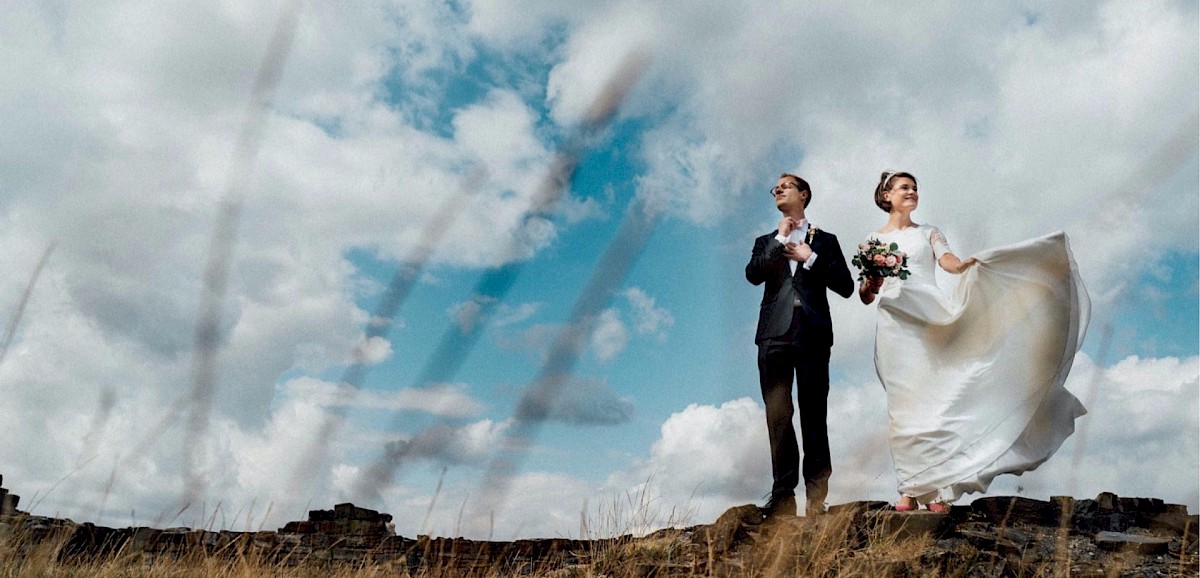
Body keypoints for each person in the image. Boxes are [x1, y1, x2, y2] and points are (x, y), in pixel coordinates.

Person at [859, 170, 1089, 513]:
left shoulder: (928, 232)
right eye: (905, 187)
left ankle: (935, 488)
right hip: (895, 323)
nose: (913, 192)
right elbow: (865, 294)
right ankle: (908, 488)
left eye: (916, 188)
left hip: (929, 318)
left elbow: (947, 262)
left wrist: (964, 264)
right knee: (903, 406)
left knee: (934, 403)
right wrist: (874, 281)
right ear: (886, 195)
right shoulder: (871, 241)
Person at [746, 173, 854, 518]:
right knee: (778, 414)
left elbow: (846, 286)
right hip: (773, 336)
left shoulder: (826, 240)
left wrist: (811, 258)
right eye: (774, 187)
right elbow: (754, 274)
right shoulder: (766, 240)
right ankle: (782, 497)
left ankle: (816, 498)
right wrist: (780, 238)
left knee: (813, 414)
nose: (778, 189)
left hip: (812, 332)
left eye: (786, 186)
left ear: (804, 194)